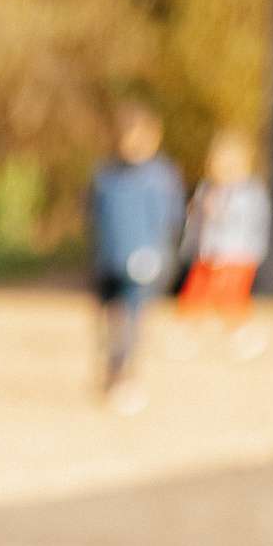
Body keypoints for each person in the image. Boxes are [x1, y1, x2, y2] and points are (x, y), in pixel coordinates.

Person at [85, 105, 184, 412]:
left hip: (143, 263)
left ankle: (126, 375)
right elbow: (94, 215)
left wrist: (158, 256)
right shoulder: (105, 175)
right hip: (108, 260)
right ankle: (110, 369)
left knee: (133, 320)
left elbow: (170, 219)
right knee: (107, 320)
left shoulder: (161, 177)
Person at [170, 128, 272, 355]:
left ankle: (245, 336)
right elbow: (195, 224)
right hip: (207, 254)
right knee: (195, 294)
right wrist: (189, 248)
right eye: (221, 161)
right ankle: (186, 334)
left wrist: (253, 253)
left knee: (231, 299)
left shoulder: (251, 193)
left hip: (237, 257)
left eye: (233, 162)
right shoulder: (206, 189)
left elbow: (256, 224)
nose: (226, 167)